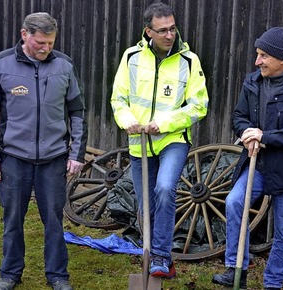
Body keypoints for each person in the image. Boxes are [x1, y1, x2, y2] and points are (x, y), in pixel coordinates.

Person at [0, 12, 87, 290]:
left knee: (54, 220)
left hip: (53, 159)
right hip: (13, 159)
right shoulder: (2, 64)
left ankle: (58, 276)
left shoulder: (64, 65)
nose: (46, 48)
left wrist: (75, 154)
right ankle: (10, 274)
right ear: (24, 34)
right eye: (40, 42)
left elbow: (77, 112)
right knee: (12, 219)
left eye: (50, 43)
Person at [211, 27, 283, 289]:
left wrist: (266, 137)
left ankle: (272, 283)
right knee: (234, 203)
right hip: (257, 164)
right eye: (258, 54)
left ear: (282, 59)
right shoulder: (254, 81)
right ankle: (236, 268)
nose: (257, 61)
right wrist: (247, 133)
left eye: (263, 56)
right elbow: (239, 116)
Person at [110, 2, 208, 278]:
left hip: (172, 140)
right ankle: (152, 253)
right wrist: (127, 120)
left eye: (173, 29)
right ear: (148, 32)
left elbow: (199, 106)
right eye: (162, 30)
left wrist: (163, 123)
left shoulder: (189, 61)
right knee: (146, 205)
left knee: (165, 189)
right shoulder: (131, 58)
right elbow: (118, 99)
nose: (169, 35)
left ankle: (162, 257)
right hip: (139, 142)